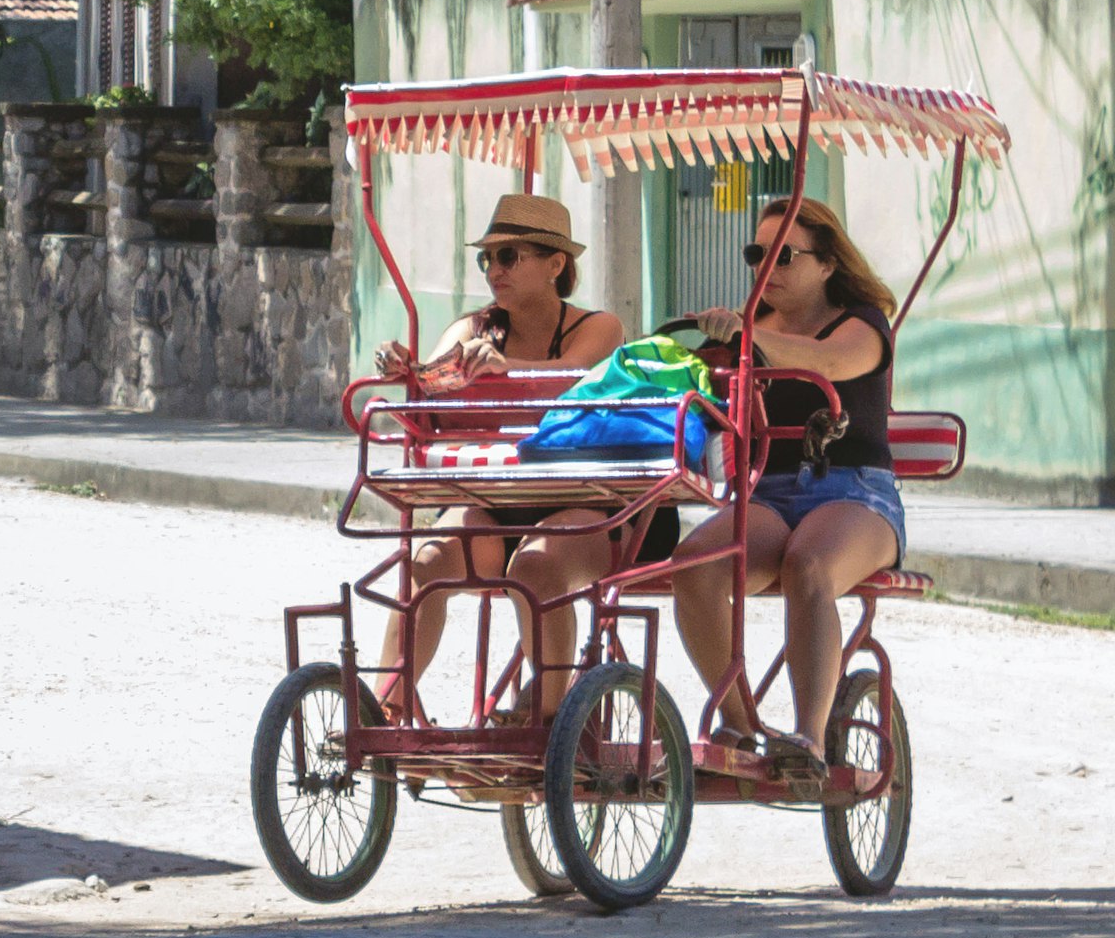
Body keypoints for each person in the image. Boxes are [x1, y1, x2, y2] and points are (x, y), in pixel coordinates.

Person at [365, 194, 626, 719]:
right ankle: (382, 711)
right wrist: (411, 373)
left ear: (556, 265)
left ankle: (550, 723)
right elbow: (435, 382)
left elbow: (567, 381)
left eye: (509, 256)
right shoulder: (473, 329)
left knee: (536, 568)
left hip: (586, 502)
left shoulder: (600, 327)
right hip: (495, 499)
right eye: (487, 258)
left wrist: (505, 368)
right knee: (426, 564)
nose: (494, 270)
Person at [671, 195, 905, 772]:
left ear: (827, 264)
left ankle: (809, 739)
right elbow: (691, 399)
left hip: (856, 493)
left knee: (809, 564)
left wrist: (750, 334)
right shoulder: (752, 333)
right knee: (691, 564)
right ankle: (740, 719)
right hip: (770, 493)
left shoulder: (862, 324)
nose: (764, 268)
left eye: (784, 256)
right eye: (758, 253)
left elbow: (826, 363)